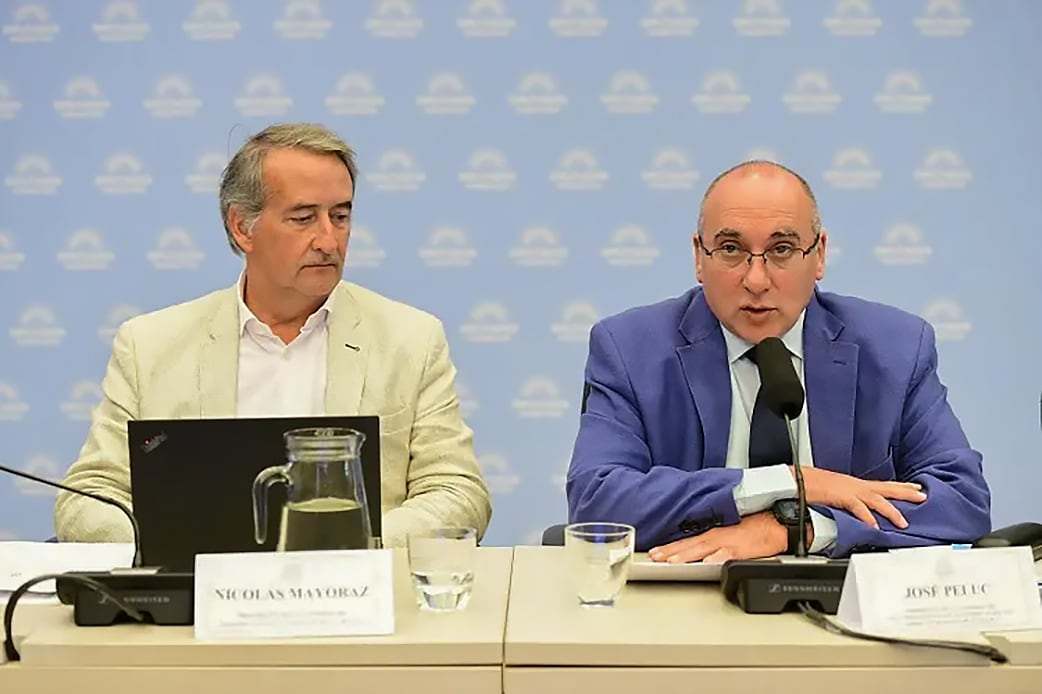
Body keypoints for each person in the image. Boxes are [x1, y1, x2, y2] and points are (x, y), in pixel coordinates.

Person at [55, 122, 492, 547]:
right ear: (242, 227)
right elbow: (88, 498)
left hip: (359, 586)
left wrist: (353, 544)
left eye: (340, 216)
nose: (329, 241)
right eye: (304, 218)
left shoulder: (411, 340)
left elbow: (457, 493)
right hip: (197, 593)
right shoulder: (150, 346)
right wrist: (173, 544)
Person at [566, 160, 990, 562]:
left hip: (843, 601)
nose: (756, 280)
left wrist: (795, 528)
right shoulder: (630, 349)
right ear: (699, 257)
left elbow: (961, 499)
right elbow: (596, 501)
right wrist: (789, 481)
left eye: (782, 249)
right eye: (730, 249)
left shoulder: (896, 348)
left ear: (819, 255)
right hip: (683, 594)